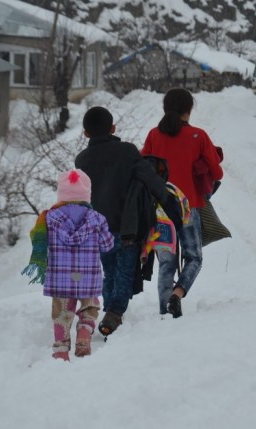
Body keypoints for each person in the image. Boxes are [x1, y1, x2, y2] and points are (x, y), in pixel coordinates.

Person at [75, 106, 181, 336]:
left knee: (110, 272)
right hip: (127, 227)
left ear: (85, 133)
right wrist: (171, 205)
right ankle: (113, 314)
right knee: (124, 271)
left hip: (97, 229)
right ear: (113, 128)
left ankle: (111, 312)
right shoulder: (127, 152)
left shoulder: (81, 160)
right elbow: (152, 181)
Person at [141, 88, 223, 318]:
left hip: (160, 210)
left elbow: (143, 166)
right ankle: (177, 294)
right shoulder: (198, 136)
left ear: (166, 109)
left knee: (166, 263)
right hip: (189, 208)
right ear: (189, 110)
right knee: (194, 257)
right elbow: (218, 172)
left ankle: (164, 311)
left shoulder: (154, 135)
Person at [21, 169, 114, 361]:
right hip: (88, 276)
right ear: (86, 194)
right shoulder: (97, 218)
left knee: (61, 313)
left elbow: (40, 243)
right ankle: (84, 333)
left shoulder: (49, 218)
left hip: (61, 277)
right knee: (90, 307)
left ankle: (61, 352)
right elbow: (107, 245)